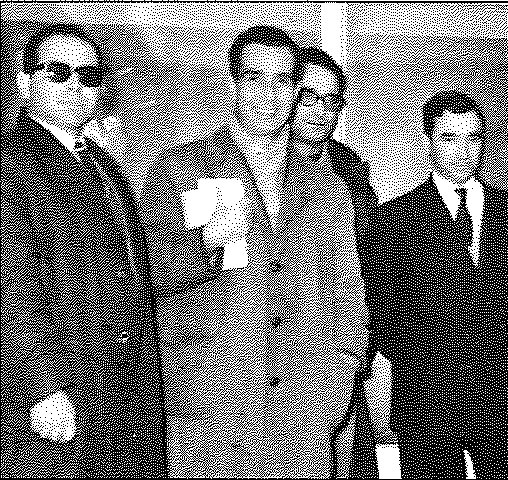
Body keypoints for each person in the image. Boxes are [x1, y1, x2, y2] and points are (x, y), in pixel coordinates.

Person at [140, 26, 365, 477]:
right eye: (255, 77)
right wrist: (208, 246)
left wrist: (334, 390)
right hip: (212, 408)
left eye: (282, 80)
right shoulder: (180, 168)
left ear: (296, 90)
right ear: (232, 83)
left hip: (305, 414)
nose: (268, 94)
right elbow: (155, 278)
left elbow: (348, 299)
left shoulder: (327, 183)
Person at [1, 23, 168, 477]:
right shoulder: (12, 160)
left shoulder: (102, 161)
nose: (76, 86)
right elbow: (12, 285)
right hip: (62, 390)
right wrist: (42, 386)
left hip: (128, 381)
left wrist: (214, 246)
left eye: (89, 75)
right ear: (25, 83)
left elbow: (134, 264)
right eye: (59, 72)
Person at [362, 90, 508, 478]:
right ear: (427, 142)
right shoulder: (392, 219)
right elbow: (384, 312)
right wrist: (424, 362)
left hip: (502, 394)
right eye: (449, 138)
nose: (462, 150)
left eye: (472, 138)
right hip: (426, 399)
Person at [289, 46, 380, 479]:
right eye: (308, 96)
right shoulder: (260, 168)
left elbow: (371, 258)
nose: (320, 111)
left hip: (342, 351)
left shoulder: (351, 169)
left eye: (331, 100)